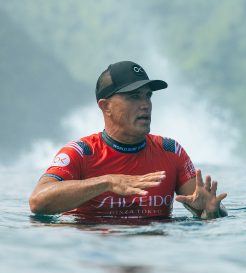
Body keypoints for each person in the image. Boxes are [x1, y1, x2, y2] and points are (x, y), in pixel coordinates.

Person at [29, 60, 227, 219]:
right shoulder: (81, 152)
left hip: (157, 259)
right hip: (94, 257)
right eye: (134, 97)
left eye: (148, 96)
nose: (145, 105)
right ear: (105, 106)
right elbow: (37, 202)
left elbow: (209, 211)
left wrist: (210, 212)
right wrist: (107, 182)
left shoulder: (171, 151)